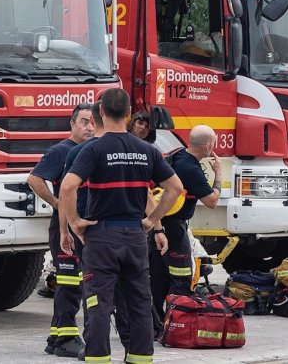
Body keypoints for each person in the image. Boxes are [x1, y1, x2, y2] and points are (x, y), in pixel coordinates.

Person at [60, 89, 183, 364]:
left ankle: (99, 358)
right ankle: (140, 358)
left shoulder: (92, 149)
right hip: (135, 237)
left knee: (98, 304)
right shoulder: (147, 150)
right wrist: (152, 222)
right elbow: (175, 187)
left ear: (100, 113)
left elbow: (68, 187)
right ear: (128, 113)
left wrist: (74, 223)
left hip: (101, 236)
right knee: (139, 301)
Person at [27, 103, 95, 358]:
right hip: (64, 227)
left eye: (92, 122)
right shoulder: (61, 151)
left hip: (80, 226)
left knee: (73, 281)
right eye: (84, 122)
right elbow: (34, 178)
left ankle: (56, 337)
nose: (89, 127)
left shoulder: (89, 151)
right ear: (72, 124)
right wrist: (58, 205)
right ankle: (67, 338)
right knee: (69, 283)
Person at [151, 125, 221, 329]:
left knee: (158, 277)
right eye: (213, 142)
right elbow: (212, 201)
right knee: (181, 277)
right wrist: (218, 174)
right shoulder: (191, 169)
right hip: (174, 228)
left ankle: (156, 325)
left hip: (158, 225)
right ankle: (178, 324)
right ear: (208, 145)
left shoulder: (176, 155)